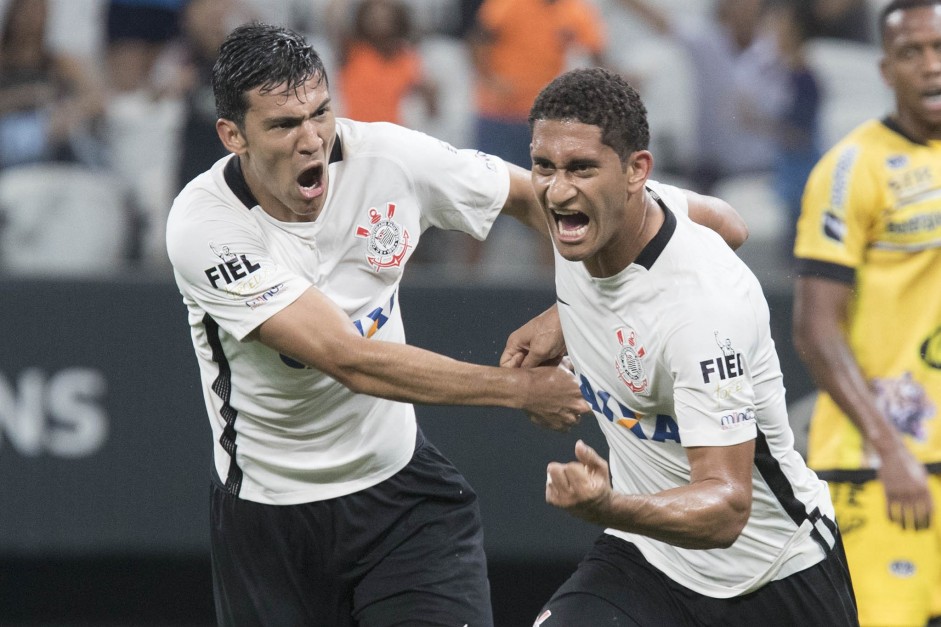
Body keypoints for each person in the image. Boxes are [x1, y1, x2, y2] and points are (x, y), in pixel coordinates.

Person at [165, 23, 750, 626]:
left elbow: (547, 200)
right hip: (269, 520)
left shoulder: (391, 159)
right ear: (232, 135)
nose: (312, 140)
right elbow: (347, 358)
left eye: (321, 113)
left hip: (403, 504)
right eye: (284, 126)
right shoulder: (203, 227)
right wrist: (520, 389)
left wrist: (576, 306)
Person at [501, 67, 858, 625]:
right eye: (543, 166)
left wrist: (608, 504)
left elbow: (727, 508)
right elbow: (730, 222)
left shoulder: (702, 313)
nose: (556, 189)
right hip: (646, 560)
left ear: (636, 170)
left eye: (581, 168)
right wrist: (565, 316)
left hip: (771, 576)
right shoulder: (598, 215)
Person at [791, 1, 941, 625]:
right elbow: (814, 325)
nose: (932, 67)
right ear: (885, 69)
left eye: (940, 49)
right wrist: (890, 448)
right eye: (913, 53)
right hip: (880, 473)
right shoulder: (854, 168)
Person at [617, 0, 779, 193]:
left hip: (761, 171)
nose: (746, 9)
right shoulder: (707, 42)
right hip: (711, 170)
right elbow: (662, 21)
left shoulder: (775, 51)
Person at [336, 0, 438, 125]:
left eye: (386, 14)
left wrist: (429, 93)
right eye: (373, 13)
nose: (379, 18)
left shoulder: (407, 56)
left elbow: (430, 104)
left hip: (393, 135)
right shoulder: (350, 51)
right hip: (354, 132)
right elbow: (334, 20)